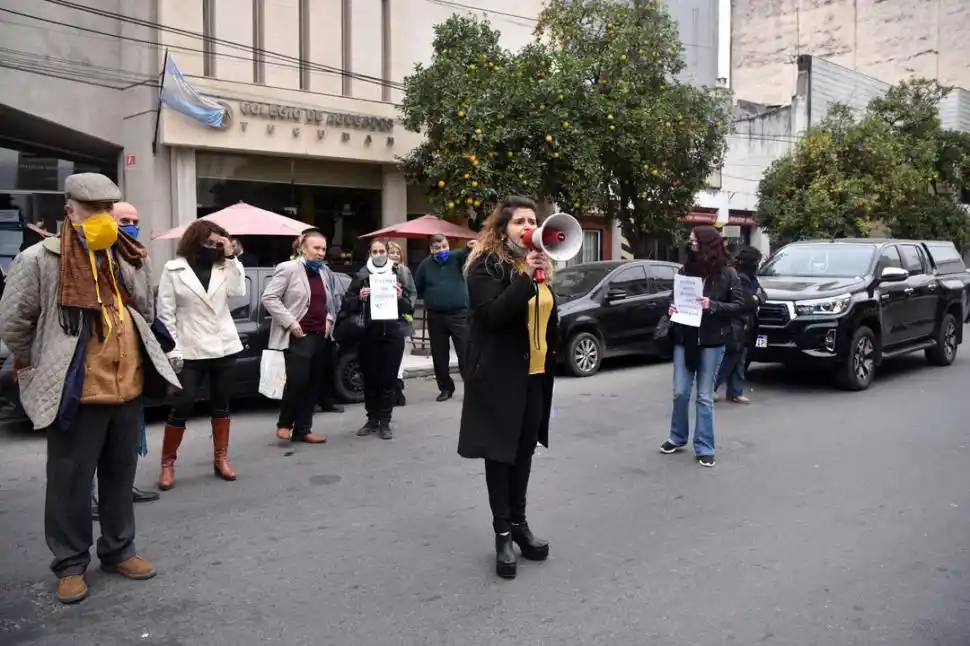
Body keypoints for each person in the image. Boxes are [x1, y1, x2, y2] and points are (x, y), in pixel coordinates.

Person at [0, 173, 181, 604]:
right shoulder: (38, 259)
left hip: (126, 386)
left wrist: (126, 259)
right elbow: (14, 325)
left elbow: (143, 308)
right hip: (75, 391)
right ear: (70, 211)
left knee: (120, 478)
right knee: (69, 484)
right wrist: (40, 363)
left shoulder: (128, 253)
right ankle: (70, 564)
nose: (103, 218)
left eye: (108, 210)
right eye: (93, 211)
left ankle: (119, 550)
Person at [457, 196, 558, 580]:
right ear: (503, 229)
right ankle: (502, 534)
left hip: (533, 376)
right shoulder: (485, 265)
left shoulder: (540, 266)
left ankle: (520, 525)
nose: (528, 226)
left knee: (524, 453)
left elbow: (546, 316)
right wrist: (525, 279)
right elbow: (493, 315)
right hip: (498, 377)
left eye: (532, 220)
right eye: (519, 221)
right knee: (500, 457)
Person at [155, 220, 246, 490]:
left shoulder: (224, 266)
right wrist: (171, 350)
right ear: (196, 240)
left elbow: (238, 291)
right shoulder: (173, 269)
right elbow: (165, 314)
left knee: (221, 405)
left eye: (217, 242)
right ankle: (167, 464)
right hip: (190, 347)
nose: (213, 246)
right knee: (182, 406)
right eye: (209, 242)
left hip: (224, 346)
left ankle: (221, 459)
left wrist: (230, 255)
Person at [90, 202, 159, 522]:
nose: (131, 226)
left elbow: (147, 309)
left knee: (127, 437)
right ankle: (91, 496)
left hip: (130, 362)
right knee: (91, 439)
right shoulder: (89, 256)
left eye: (135, 221)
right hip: (95, 367)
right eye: (124, 221)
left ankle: (122, 488)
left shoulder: (138, 257)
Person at [660, 225, 744, 468]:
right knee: (680, 392)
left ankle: (705, 447)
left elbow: (740, 304)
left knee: (705, 396)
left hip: (712, 340)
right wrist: (671, 307)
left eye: (694, 242)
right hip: (685, 337)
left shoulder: (728, 274)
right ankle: (677, 437)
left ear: (706, 245)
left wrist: (713, 305)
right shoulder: (686, 270)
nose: (690, 245)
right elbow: (674, 296)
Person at [262, 229, 343, 443]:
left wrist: (329, 318)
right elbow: (269, 298)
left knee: (314, 383)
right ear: (302, 249)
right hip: (298, 335)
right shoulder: (288, 269)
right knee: (298, 381)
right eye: (316, 248)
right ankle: (285, 424)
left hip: (320, 335)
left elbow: (331, 300)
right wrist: (290, 322)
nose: (320, 253)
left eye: (323, 249)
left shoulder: (325, 271)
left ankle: (303, 429)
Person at [341, 238, 413, 439]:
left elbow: (409, 307)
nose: (379, 254)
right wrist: (360, 297)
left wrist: (400, 298)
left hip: (392, 333)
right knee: (371, 379)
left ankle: (385, 421)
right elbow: (347, 303)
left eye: (382, 250)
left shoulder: (397, 273)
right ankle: (372, 419)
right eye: (375, 251)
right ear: (369, 254)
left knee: (388, 380)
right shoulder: (362, 275)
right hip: (368, 334)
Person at [415, 234, 471, 402]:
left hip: (459, 314)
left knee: (465, 352)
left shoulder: (455, 257)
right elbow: (418, 287)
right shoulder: (425, 266)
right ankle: (445, 388)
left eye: (445, 246)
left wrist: (470, 247)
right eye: (437, 248)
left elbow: (467, 253)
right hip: (436, 316)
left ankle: (471, 388)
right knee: (439, 355)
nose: (442, 250)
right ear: (431, 249)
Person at [715, 245, 765, 404]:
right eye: (757, 261)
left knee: (741, 358)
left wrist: (757, 297)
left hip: (746, 323)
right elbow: (746, 302)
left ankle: (735, 392)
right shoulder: (740, 277)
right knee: (731, 357)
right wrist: (756, 298)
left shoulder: (752, 277)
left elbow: (763, 294)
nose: (758, 265)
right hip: (735, 322)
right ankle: (710, 388)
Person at [387, 241, 416, 406]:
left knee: (400, 356)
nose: (395, 255)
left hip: (401, 317)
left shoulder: (405, 272)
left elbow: (412, 292)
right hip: (384, 318)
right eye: (392, 252)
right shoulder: (379, 272)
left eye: (398, 253)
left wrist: (406, 303)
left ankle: (397, 386)